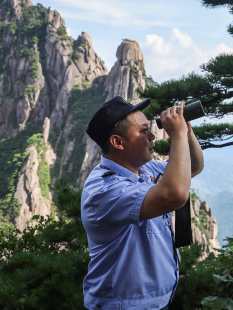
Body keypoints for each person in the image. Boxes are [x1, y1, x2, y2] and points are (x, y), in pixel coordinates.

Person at [81, 96, 204, 310]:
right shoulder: (104, 190)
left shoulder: (144, 170)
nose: (153, 135)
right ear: (118, 142)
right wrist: (177, 135)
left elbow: (192, 167)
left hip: (158, 302)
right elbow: (175, 194)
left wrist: (186, 132)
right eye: (143, 130)